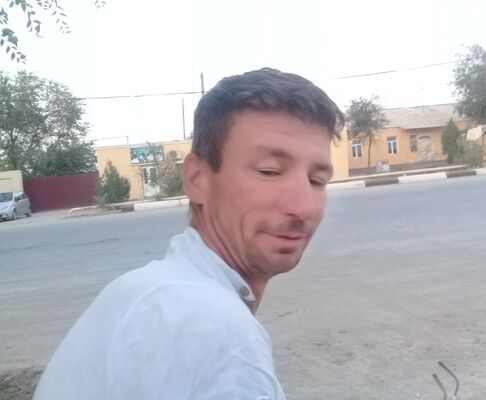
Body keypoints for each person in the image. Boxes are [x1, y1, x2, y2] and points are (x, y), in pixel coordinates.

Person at [33, 68, 344, 400]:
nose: (304, 208)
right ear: (197, 179)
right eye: (269, 171)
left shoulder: (145, 290)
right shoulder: (210, 326)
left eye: (317, 181)